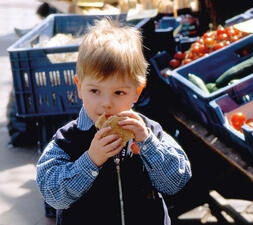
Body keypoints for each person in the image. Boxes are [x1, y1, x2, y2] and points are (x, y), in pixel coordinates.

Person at [36, 18, 192, 225]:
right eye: (95, 91)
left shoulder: (151, 132)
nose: (106, 103)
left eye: (119, 92)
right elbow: (53, 195)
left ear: (137, 92)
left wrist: (148, 144)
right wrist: (90, 160)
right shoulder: (66, 140)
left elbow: (176, 182)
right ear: (79, 88)